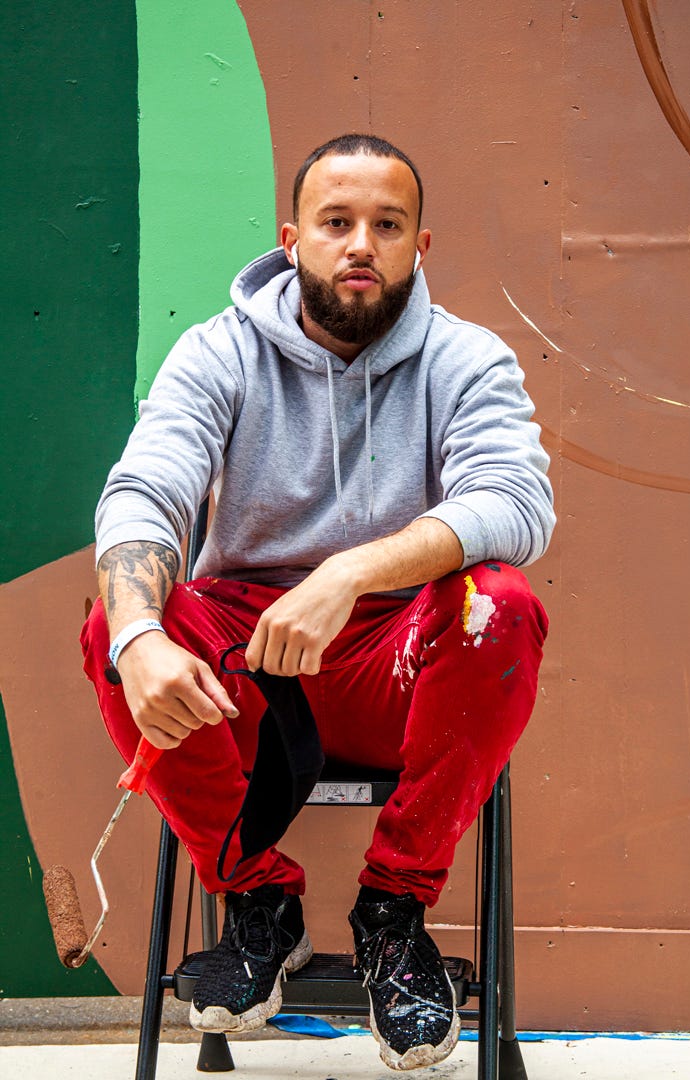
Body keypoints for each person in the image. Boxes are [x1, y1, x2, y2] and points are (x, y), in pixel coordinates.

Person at [82, 133, 554, 1071]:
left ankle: (393, 912)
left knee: (497, 604)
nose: (360, 246)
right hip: (247, 672)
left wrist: (345, 574)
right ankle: (259, 903)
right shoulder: (218, 352)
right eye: (337, 223)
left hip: (393, 662)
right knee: (117, 622)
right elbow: (145, 491)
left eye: (387, 225)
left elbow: (515, 503)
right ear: (293, 238)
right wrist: (139, 635)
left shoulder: (468, 359)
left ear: (420, 248)